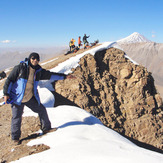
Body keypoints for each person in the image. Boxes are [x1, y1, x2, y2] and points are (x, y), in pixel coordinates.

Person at [3, 52, 75, 145]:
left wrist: (65, 77)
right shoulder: (20, 68)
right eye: (33, 58)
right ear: (29, 59)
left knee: (41, 109)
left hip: (29, 97)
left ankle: (46, 129)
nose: (35, 61)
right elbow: (9, 80)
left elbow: (50, 75)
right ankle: (15, 138)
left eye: (37, 59)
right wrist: (6, 94)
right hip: (17, 98)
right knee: (16, 117)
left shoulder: (38, 71)